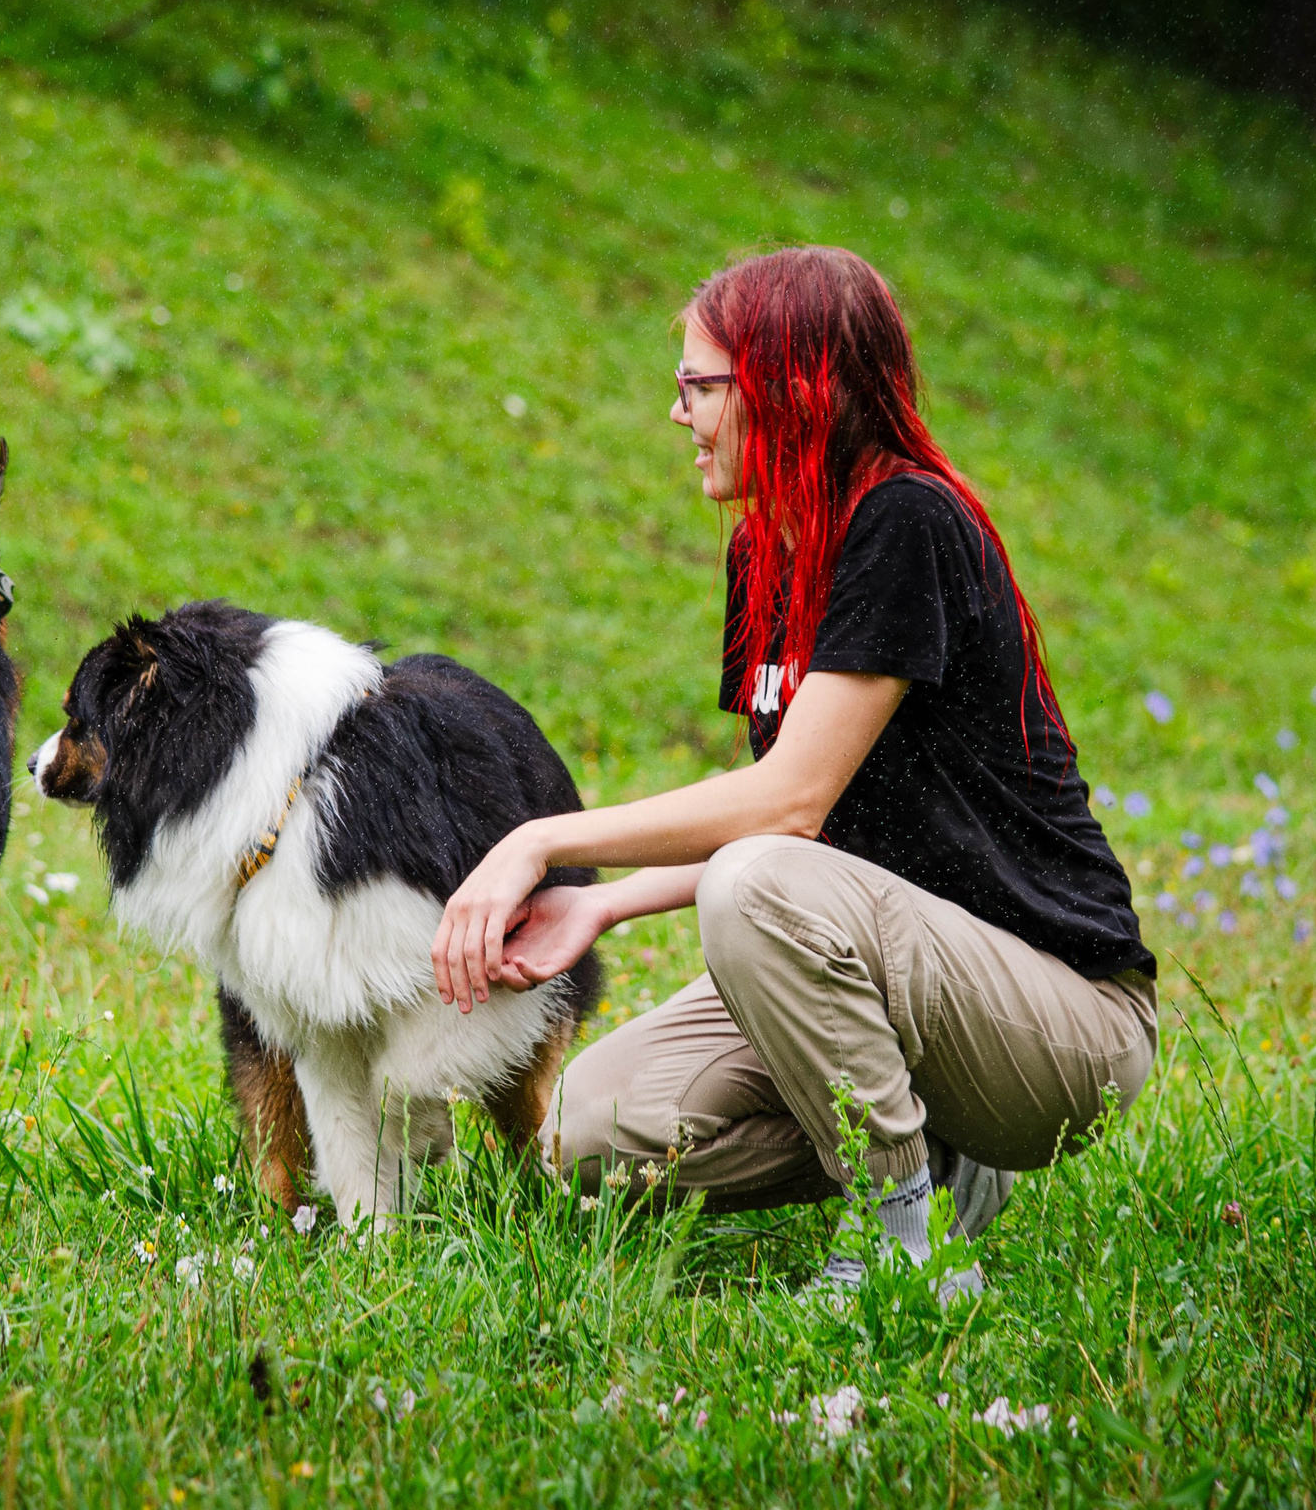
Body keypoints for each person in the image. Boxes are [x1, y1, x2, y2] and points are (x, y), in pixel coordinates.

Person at [431, 245, 1154, 1294]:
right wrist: (603, 904)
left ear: (787, 388)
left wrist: (538, 842)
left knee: (753, 883)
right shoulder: (764, 553)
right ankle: (930, 1149)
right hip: (892, 975)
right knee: (596, 1132)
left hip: (1058, 1024)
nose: (678, 412)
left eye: (697, 385)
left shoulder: (905, 520)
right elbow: (798, 829)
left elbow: (785, 808)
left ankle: (899, 1246)